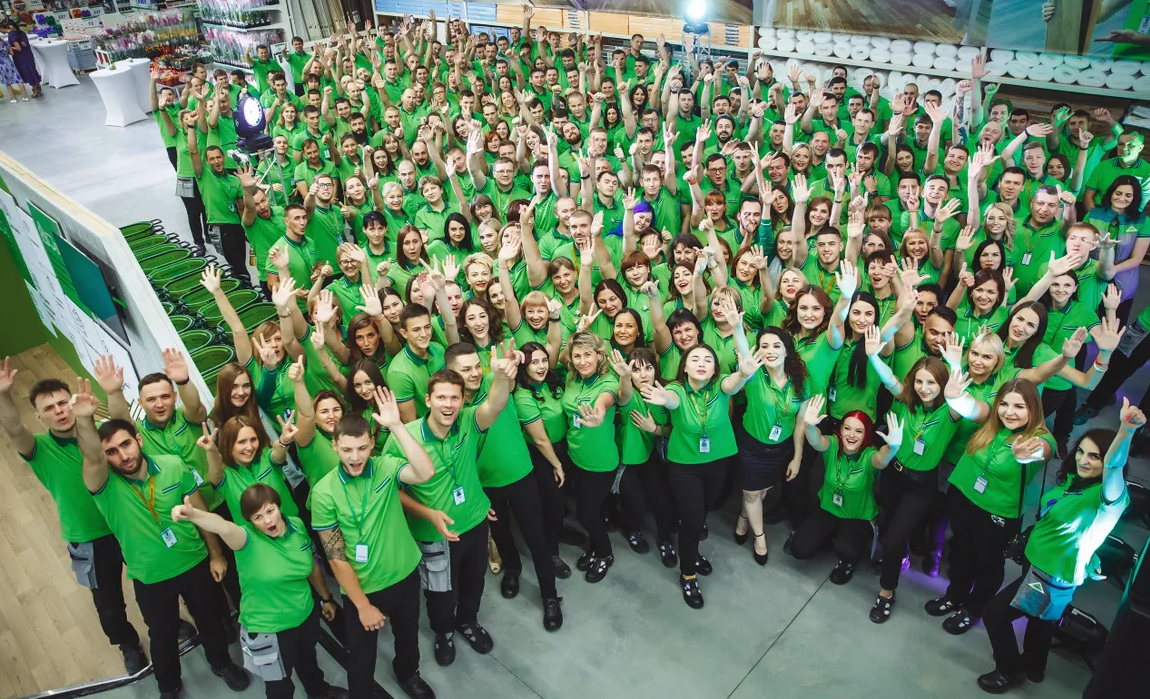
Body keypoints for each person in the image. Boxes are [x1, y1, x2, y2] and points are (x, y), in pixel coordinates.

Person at [71, 380, 249, 699]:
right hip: (151, 577)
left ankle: (222, 663)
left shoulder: (172, 466)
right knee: (163, 636)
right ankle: (169, 686)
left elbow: (199, 508)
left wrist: (216, 554)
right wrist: (84, 420)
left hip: (195, 562)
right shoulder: (104, 485)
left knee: (210, 620)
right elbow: (93, 458)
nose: (122, 455)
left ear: (138, 440)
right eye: (110, 451)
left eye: (126, 445)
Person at [976, 400, 1142, 693]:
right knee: (1040, 621)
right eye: (1081, 452)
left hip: (1051, 574)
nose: (1084, 460)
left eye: (1095, 456)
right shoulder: (1075, 483)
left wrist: (1125, 431)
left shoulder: (1108, 496)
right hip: (1040, 563)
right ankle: (1033, 668)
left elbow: (1115, 464)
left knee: (995, 614)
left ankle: (1008, 670)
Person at [0, 357, 146, 673]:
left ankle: (170, 622)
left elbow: (125, 428)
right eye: (49, 408)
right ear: (38, 417)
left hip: (127, 524)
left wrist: (115, 392)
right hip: (88, 538)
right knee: (108, 603)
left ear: (73, 402)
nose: (59, 411)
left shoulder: (97, 435)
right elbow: (12, 427)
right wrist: (3, 396)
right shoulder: (37, 448)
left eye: (63, 403)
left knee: (150, 581)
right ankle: (127, 643)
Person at [387, 354, 519, 667]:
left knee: (475, 581)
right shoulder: (404, 438)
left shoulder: (468, 422)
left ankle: (468, 622)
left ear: (462, 400)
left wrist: (500, 377)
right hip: (434, 535)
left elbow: (495, 406)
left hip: (474, 524)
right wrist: (428, 513)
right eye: (442, 397)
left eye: (455, 398)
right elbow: (394, 493)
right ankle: (444, 631)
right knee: (440, 593)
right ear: (428, 399)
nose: (449, 405)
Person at [311, 392, 439, 699]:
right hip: (364, 588)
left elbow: (425, 472)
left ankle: (408, 674)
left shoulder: (385, 467)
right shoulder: (324, 492)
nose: (355, 457)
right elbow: (335, 556)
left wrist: (396, 426)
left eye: (361, 448)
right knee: (361, 661)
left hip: (405, 574)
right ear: (334, 446)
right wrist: (363, 605)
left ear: (371, 444)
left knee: (407, 638)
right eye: (346, 450)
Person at [170, 485, 348, 699]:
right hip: (270, 629)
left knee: (308, 661)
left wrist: (325, 599)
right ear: (250, 521)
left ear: (278, 506)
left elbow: (311, 566)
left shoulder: (297, 526)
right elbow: (223, 527)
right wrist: (194, 514)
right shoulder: (245, 540)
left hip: (304, 615)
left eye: (270, 511)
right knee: (279, 687)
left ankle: (319, 692)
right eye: (257, 517)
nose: (267, 521)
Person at [442, 342, 563, 630]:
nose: (473, 373)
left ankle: (550, 596)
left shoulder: (494, 381)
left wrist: (502, 370)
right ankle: (512, 568)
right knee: (501, 533)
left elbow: (503, 387)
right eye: (464, 369)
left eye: (475, 366)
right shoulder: (451, 404)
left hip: (520, 475)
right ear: (450, 372)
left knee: (536, 538)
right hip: (485, 486)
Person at [641, 343, 763, 608]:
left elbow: (731, 384)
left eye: (708, 360)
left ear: (714, 369)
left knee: (704, 510)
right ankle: (688, 574)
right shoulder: (675, 389)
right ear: (684, 367)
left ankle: (692, 551)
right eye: (694, 359)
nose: (701, 363)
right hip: (685, 465)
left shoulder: (719, 387)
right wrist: (665, 401)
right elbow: (671, 399)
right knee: (693, 519)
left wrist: (742, 375)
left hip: (717, 461)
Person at [790, 395, 901, 584]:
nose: (851, 435)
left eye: (859, 431)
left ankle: (847, 560)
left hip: (857, 516)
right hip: (828, 508)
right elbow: (817, 441)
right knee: (799, 548)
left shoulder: (869, 455)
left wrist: (892, 448)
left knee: (846, 550)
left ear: (866, 435)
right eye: (847, 428)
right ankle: (828, 535)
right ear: (840, 431)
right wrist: (808, 425)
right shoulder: (832, 444)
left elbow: (881, 461)